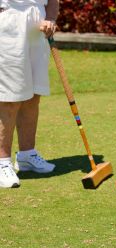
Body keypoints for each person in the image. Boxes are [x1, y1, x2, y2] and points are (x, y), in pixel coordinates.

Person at [0, 0, 59, 188]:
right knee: (9, 98)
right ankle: (2, 162)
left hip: (38, 26)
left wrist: (50, 18)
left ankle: (27, 155)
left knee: (34, 94)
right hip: (8, 22)